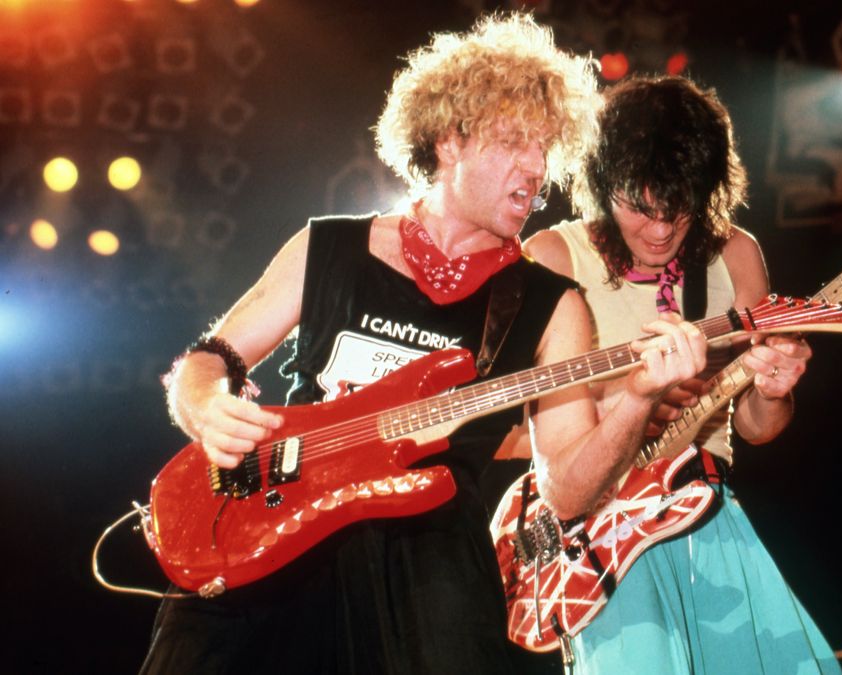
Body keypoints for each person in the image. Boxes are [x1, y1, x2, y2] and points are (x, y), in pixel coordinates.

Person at [140, 16, 706, 674]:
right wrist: (204, 401)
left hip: (426, 570)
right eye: (514, 141)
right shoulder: (328, 248)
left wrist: (637, 401)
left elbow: (568, 492)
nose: (535, 169)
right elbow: (210, 359)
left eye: (545, 148)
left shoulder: (552, 305)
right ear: (449, 141)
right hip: (274, 530)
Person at [521, 76, 842, 674]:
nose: (662, 230)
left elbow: (756, 427)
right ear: (600, 183)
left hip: (708, 514)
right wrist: (627, 403)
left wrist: (773, 388)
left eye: (680, 208)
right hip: (606, 536)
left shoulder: (736, 253)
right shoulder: (552, 257)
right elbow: (507, 438)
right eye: (638, 208)